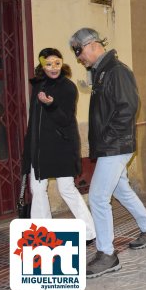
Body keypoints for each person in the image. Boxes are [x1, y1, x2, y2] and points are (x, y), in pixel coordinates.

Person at [70, 28, 146, 278]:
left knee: (98, 197)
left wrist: (108, 140)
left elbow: (128, 107)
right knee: (121, 189)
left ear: (91, 45)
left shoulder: (116, 71)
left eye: (79, 52)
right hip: (112, 145)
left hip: (116, 145)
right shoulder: (101, 72)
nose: (79, 58)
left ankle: (107, 254)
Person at [21, 48, 96, 243]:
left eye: (57, 63)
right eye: (48, 64)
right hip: (39, 149)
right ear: (42, 65)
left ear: (62, 64)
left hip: (61, 147)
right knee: (37, 190)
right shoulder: (38, 86)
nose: (53, 67)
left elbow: (65, 120)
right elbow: (33, 122)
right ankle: (41, 234)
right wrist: (28, 150)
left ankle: (89, 231)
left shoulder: (68, 87)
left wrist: (51, 105)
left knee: (66, 189)